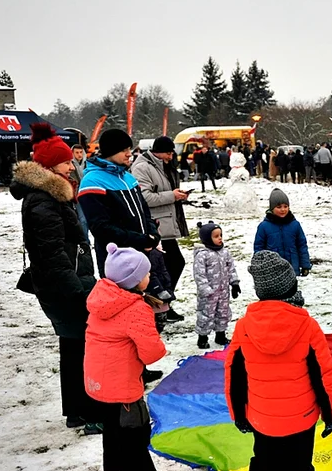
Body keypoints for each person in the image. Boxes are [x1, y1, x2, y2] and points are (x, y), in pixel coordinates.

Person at [226, 251, 332, 471]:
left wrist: (239, 413)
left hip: (262, 418)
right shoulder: (306, 325)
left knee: (264, 468)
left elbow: (234, 374)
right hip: (301, 421)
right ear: (291, 288)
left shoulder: (244, 327)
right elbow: (324, 376)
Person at [10, 124, 99, 432]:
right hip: (64, 286)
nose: (71, 164)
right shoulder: (43, 201)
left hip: (68, 281)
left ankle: (77, 412)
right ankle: (85, 413)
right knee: (77, 349)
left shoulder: (52, 195)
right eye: (64, 161)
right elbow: (50, 252)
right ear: (49, 166)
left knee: (74, 347)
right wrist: (76, 290)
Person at [84, 243, 175, 471]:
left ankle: (113, 465)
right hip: (122, 385)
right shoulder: (135, 309)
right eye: (146, 274)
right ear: (134, 280)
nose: (149, 277)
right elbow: (151, 353)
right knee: (134, 434)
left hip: (97, 380)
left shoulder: (102, 299)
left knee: (112, 425)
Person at [77, 129, 160, 276]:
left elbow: (144, 210)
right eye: (123, 150)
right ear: (110, 152)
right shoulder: (92, 181)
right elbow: (101, 228)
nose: (129, 153)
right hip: (117, 260)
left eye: (129, 148)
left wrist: (152, 234)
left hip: (142, 254)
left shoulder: (128, 177)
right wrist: (140, 240)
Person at [131, 136, 190, 319]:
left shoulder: (162, 165)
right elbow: (145, 198)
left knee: (173, 265)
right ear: (159, 151)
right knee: (168, 266)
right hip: (156, 226)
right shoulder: (142, 167)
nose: (171, 156)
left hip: (166, 223)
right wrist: (172, 196)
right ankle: (159, 305)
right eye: (168, 152)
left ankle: (164, 304)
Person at [194, 222, 240, 349]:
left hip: (223, 291)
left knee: (223, 313)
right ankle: (202, 337)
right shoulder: (202, 255)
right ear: (207, 238)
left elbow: (231, 268)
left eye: (220, 235)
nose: (220, 238)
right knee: (206, 314)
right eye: (216, 236)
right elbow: (199, 274)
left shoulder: (225, 252)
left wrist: (234, 283)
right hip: (209, 293)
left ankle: (220, 335)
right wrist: (205, 289)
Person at [252, 188, 311, 278]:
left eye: (285, 206)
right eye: (279, 207)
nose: (283, 209)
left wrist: (305, 265)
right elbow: (259, 248)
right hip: (272, 270)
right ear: (272, 209)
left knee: (292, 291)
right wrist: (260, 267)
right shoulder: (264, 226)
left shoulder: (295, 225)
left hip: (292, 268)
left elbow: (302, 245)